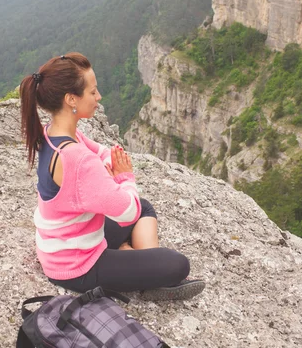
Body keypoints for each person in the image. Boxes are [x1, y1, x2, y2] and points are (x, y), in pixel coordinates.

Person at [19, 53, 205, 300]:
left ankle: (144, 265)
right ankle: (153, 275)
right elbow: (127, 210)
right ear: (71, 99)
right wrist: (124, 177)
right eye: (93, 92)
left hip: (64, 244)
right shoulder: (77, 158)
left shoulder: (54, 134)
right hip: (78, 267)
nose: (99, 97)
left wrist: (108, 170)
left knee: (145, 208)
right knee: (177, 265)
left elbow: (105, 153)